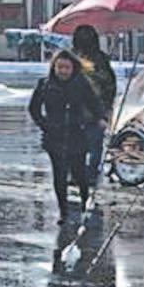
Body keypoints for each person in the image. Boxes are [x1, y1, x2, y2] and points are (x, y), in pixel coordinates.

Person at [28, 49, 103, 222]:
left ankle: (85, 203)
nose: (63, 71)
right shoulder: (45, 84)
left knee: (79, 173)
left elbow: (93, 103)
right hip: (54, 136)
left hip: (77, 134)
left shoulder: (80, 83)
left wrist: (99, 118)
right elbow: (34, 108)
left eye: (66, 68)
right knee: (59, 175)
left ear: (73, 68)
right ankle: (63, 211)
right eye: (59, 67)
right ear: (54, 67)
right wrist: (45, 125)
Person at [71, 24, 116, 193]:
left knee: (78, 143)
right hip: (93, 109)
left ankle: (78, 173)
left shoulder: (72, 57)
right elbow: (110, 85)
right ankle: (89, 173)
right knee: (94, 144)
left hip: (81, 110)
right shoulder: (100, 59)